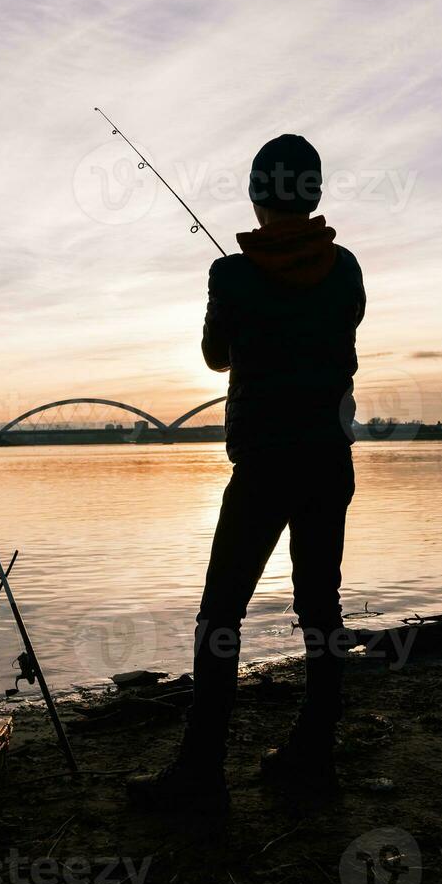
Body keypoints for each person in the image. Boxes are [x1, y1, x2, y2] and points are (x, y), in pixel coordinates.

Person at [128, 133, 366, 812]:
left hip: (264, 466)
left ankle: (201, 773)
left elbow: (213, 356)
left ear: (258, 197)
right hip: (329, 460)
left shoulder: (230, 274)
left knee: (220, 616)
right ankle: (313, 756)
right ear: (314, 193)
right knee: (321, 611)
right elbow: (342, 322)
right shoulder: (344, 268)